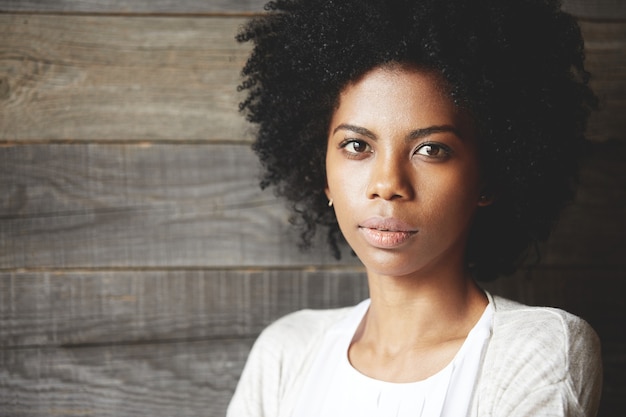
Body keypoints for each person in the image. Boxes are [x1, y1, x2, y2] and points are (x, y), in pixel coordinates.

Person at [227, 0, 603, 416]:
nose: (387, 184)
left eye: (431, 149)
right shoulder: (288, 351)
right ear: (323, 172)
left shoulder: (536, 348)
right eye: (357, 146)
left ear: (489, 177)